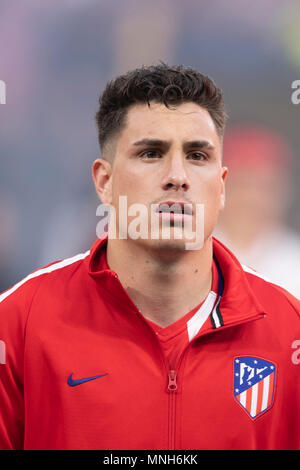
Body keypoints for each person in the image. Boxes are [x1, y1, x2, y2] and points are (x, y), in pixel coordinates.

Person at [0, 64, 299, 450]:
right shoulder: (17, 324)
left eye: (197, 155)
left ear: (221, 187)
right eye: (151, 153)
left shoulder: (289, 332)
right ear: (104, 183)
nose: (177, 176)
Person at [215, 125, 300, 299]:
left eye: (265, 187)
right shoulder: (191, 250)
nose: (253, 199)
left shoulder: (294, 259)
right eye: (243, 185)